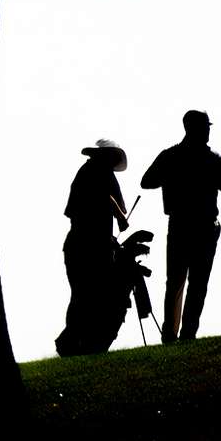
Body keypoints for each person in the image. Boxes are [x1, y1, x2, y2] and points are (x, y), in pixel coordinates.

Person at [139, 110, 221, 342]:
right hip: (204, 226)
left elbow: (147, 181)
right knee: (198, 283)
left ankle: (170, 334)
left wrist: (171, 178)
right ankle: (187, 334)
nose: (208, 130)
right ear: (194, 127)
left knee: (175, 281)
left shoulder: (170, 155)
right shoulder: (213, 158)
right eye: (206, 126)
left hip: (179, 224)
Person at [57, 138, 131, 356]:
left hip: (81, 244)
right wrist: (120, 217)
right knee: (88, 295)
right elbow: (113, 202)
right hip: (91, 246)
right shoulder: (99, 172)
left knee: (84, 295)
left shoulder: (90, 172)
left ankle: (76, 343)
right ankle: (72, 343)